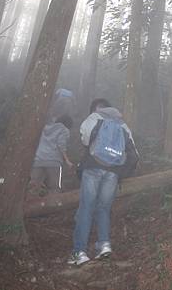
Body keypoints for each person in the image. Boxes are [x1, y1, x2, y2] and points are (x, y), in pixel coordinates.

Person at [68, 98, 139, 266]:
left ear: (97, 108)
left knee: (86, 207)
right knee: (104, 209)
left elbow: (85, 139)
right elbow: (134, 154)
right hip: (113, 172)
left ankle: (79, 252)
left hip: (93, 167)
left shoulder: (94, 117)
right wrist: (121, 172)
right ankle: (104, 245)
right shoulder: (122, 124)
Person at [29, 114, 74, 194]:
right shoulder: (64, 130)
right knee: (55, 187)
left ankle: (31, 204)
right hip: (54, 162)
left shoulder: (44, 128)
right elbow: (61, 145)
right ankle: (54, 204)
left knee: (33, 186)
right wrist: (67, 160)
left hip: (38, 160)